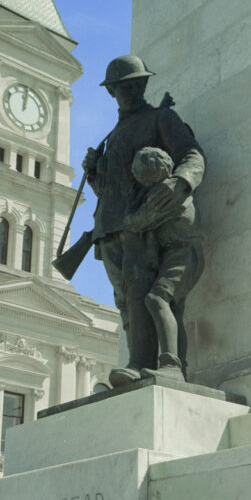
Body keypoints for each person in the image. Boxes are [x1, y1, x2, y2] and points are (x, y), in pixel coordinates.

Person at [82, 55, 204, 387]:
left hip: (141, 224)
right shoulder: (111, 136)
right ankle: (136, 365)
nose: (132, 91)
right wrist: (94, 172)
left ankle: (141, 363)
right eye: (124, 87)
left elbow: (191, 154)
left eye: (137, 84)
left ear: (145, 85)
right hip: (109, 228)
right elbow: (107, 190)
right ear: (112, 92)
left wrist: (181, 181)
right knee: (125, 306)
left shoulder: (160, 118)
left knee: (141, 293)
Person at [120, 147, 204, 381]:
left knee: (156, 299)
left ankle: (171, 365)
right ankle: (176, 366)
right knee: (171, 307)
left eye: (138, 173)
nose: (135, 177)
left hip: (185, 254)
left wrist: (128, 219)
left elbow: (138, 221)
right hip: (175, 253)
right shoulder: (163, 191)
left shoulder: (164, 196)